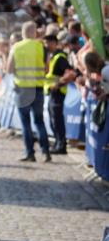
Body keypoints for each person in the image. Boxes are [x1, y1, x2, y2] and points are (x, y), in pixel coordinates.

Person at [6, 21, 51, 163]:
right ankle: (46, 152)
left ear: (23, 32)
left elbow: (8, 69)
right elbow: (47, 69)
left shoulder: (16, 47)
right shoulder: (42, 48)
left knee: (25, 123)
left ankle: (30, 153)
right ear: (35, 32)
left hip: (22, 90)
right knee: (39, 122)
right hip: (37, 88)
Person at [43, 26, 76, 155]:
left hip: (58, 93)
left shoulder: (60, 57)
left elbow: (70, 73)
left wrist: (59, 83)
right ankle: (58, 143)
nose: (46, 45)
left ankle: (61, 145)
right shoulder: (52, 56)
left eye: (48, 42)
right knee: (53, 120)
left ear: (54, 43)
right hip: (52, 93)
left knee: (57, 120)